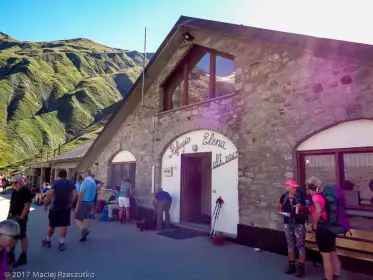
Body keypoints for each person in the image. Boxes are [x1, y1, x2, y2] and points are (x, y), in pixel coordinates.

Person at [306, 176, 341, 280]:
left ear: (309, 188)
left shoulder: (315, 197)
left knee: (326, 256)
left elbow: (318, 211)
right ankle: (336, 274)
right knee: (333, 252)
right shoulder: (322, 196)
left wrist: (314, 224)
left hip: (322, 229)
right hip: (330, 228)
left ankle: (328, 278)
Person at [42, 169, 76, 251]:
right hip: (66, 207)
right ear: (66, 175)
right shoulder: (71, 183)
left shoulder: (55, 183)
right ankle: (61, 243)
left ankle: (48, 241)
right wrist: (71, 203)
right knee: (63, 225)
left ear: (58, 175)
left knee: (52, 225)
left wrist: (46, 204)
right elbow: (75, 194)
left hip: (55, 207)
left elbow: (50, 194)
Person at [279, 180, 307, 277]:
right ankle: (291, 265)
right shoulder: (284, 197)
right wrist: (286, 214)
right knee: (290, 244)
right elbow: (281, 209)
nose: (295, 189)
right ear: (288, 188)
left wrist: (301, 208)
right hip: (288, 223)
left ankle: (301, 268)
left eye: (295, 187)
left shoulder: (300, 196)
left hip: (299, 224)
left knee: (300, 245)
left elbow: (306, 208)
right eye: (293, 187)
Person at [7, 174, 33, 267]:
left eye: (15, 182)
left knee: (22, 236)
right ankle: (10, 255)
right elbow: (11, 204)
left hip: (20, 217)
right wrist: (8, 216)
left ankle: (23, 256)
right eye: (12, 183)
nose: (13, 184)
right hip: (12, 216)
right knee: (12, 236)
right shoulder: (14, 191)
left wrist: (21, 217)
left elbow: (27, 205)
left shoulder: (25, 191)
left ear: (21, 182)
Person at [75, 170, 96, 242]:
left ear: (86, 173)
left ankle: (83, 230)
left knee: (77, 218)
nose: (81, 175)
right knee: (86, 218)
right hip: (91, 202)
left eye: (82, 173)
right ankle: (84, 234)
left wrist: (77, 205)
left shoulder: (85, 182)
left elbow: (81, 194)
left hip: (84, 202)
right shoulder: (93, 181)